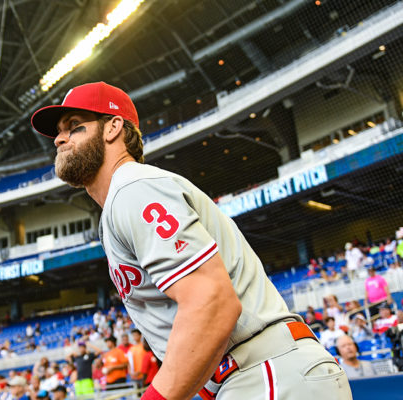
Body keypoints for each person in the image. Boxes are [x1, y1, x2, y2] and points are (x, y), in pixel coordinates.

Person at [31, 81, 351, 400]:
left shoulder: (132, 187)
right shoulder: (123, 199)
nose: (59, 138)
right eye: (59, 131)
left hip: (264, 371)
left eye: (74, 126)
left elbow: (211, 300)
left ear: (113, 127)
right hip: (251, 375)